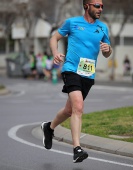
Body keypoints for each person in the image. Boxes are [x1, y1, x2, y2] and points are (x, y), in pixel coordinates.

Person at [41, 0, 112, 163]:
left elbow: (107, 52)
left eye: (102, 6)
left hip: (88, 74)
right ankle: (77, 149)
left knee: (69, 110)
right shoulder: (72, 23)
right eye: (97, 5)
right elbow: (54, 38)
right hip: (71, 69)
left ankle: (49, 127)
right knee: (78, 107)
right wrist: (55, 52)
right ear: (86, 6)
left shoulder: (103, 27)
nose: (100, 9)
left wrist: (108, 50)